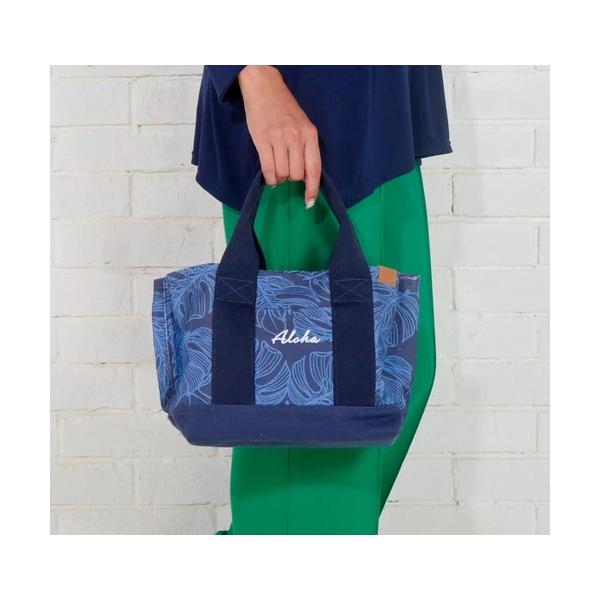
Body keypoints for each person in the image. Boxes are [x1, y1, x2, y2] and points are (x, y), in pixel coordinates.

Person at [192, 65, 451, 534]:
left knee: (401, 375)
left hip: (385, 113)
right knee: (317, 417)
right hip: (304, 120)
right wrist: (252, 73)